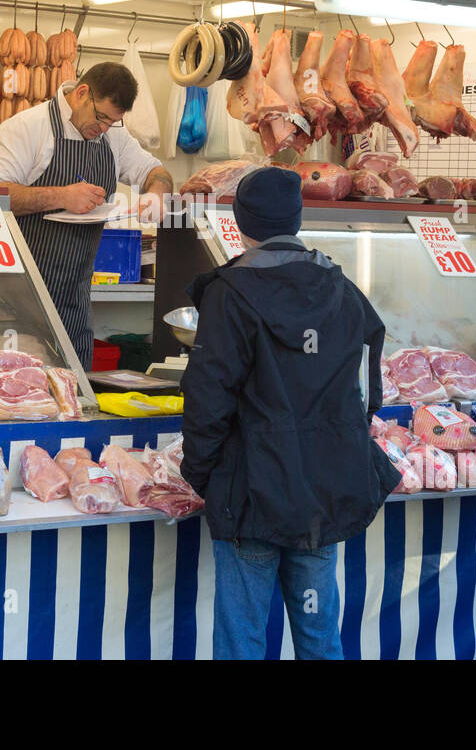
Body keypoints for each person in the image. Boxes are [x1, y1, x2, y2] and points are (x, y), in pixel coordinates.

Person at [179, 167, 401, 660]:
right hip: (323, 492)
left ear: (239, 223)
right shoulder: (341, 289)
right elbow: (366, 392)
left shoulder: (230, 292)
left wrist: (202, 472)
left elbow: (207, 397)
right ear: (297, 220)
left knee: (243, 641)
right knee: (320, 636)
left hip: (251, 494)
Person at [0, 62, 174, 367]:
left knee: (74, 397)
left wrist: (156, 196)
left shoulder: (113, 137)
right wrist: (60, 196)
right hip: (15, 302)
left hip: (75, 301)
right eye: (101, 118)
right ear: (82, 93)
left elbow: (155, 171)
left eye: (114, 122)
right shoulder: (27, 128)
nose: (104, 129)